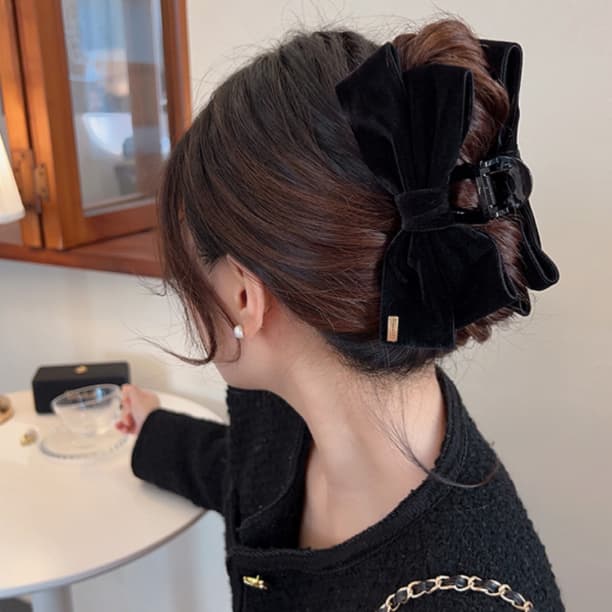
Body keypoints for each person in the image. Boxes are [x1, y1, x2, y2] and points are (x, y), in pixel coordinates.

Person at [116, 16, 565, 612]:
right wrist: (153, 429)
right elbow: (248, 478)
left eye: (192, 268)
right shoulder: (288, 412)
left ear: (245, 297)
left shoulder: (463, 596)